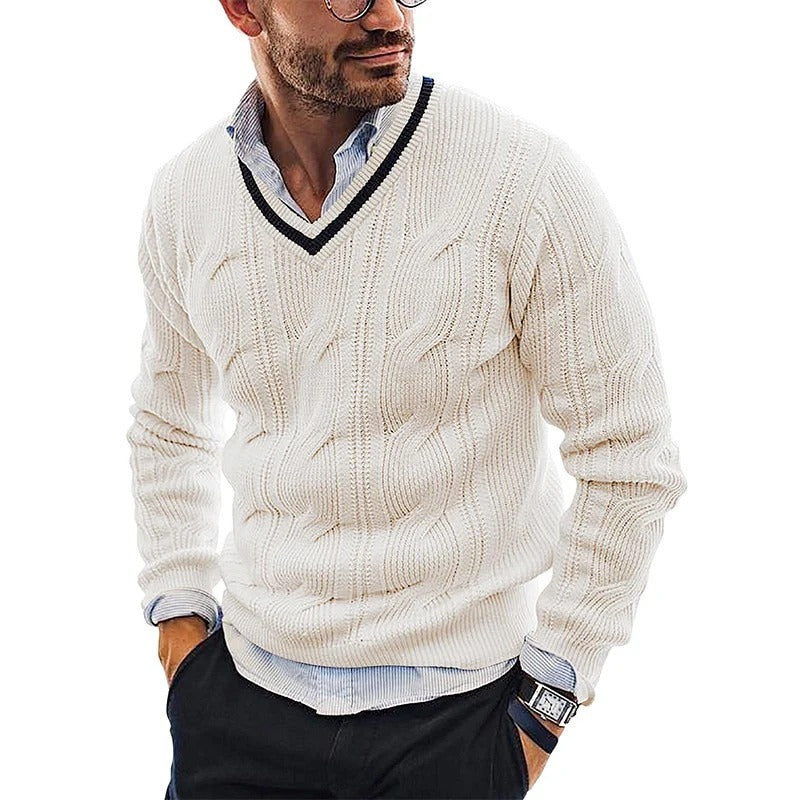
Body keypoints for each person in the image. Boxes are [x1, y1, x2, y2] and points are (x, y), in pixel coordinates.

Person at [126, 1, 688, 797]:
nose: (388, 16)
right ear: (244, 8)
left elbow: (629, 458)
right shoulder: (187, 195)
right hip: (239, 708)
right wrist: (180, 621)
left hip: (458, 726)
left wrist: (546, 701)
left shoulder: (523, 179)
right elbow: (168, 423)